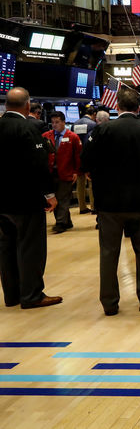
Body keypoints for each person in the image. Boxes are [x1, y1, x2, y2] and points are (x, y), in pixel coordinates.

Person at [81, 88, 140, 316]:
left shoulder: (103, 129)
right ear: (138, 108)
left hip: (109, 204)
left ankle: (109, 303)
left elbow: (85, 162)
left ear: (117, 107)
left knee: (109, 252)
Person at [0, 88, 62, 309]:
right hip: (25, 199)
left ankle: (12, 295)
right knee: (30, 247)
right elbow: (39, 164)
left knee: (6, 248)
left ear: (6, 105)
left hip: (2, 201)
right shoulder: (29, 127)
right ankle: (32, 295)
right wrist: (50, 194)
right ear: (27, 106)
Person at [42, 111, 82, 234]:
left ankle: (60, 223)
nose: (54, 125)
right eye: (52, 122)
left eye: (57, 122)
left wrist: (76, 171)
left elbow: (78, 156)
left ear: (64, 122)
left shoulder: (73, 137)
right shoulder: (45, 136)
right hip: (50, 173)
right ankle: (67, 221)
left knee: (63, 199)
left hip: (67, 172)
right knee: (55, 199)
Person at [72, 106, 97, 214]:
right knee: (91, 183)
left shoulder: (74, 124)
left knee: (80, 182)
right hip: (89, 155)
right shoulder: (93, 124)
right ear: (94, 114)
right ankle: (93, 206)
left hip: (77, 156)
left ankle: (82, 207)